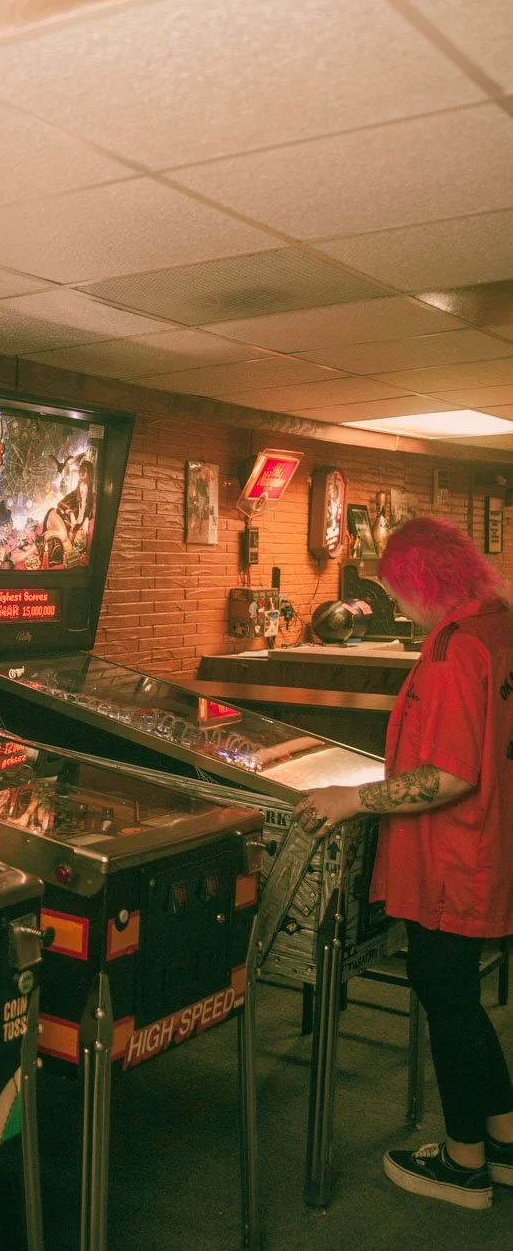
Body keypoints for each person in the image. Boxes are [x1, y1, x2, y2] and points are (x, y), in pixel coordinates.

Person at [294, 517, 513, 1209]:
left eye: (396, 590)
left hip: (451, 854)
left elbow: (449, 774)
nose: (394, 604)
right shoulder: (499, 625)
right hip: (489, 847)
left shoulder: (453, 650)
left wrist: (349, 799)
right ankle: (504, 1140)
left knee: (446, 999)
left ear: (423, 582)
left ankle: (464, 1162)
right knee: (460, 996)